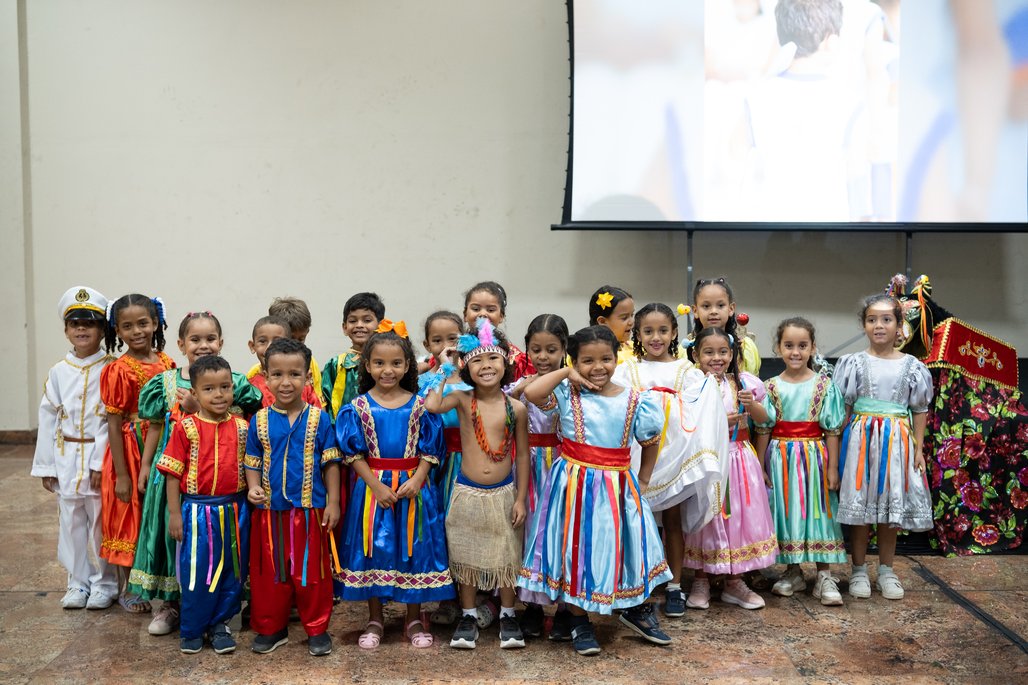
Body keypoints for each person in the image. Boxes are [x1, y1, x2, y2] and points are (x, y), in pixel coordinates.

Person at [518, 325, 673, 657]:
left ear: (617, 359)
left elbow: (650, 440)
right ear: (575, 361)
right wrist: (565, 371)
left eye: (606, 359)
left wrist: (643, 479)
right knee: (578, 550)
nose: (597, 367)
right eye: (587, 360)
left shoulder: (634, 399)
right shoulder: (566, 391)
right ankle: (579, 620)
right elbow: (531, 394)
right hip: (573, 485)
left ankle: (636, 608)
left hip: (618, 484)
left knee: (629, 547)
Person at [129, 311, 262, 636]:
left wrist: (196, 409)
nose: (203, 345)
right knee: (173, 539)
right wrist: (146, 465)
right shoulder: (165, 381)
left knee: (216, 546)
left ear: (221, 342)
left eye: (210, 339)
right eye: (195, 339)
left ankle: (218, 608)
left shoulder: (236, 382)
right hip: (174, 475)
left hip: (220, 478)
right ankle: (170, 605)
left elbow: (246, 418)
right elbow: (157, 426)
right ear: (181, 344)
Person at [335, 330, 454, 649]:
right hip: (372, 491)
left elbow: (431, 447)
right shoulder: (356, 407)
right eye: (379, 363)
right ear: (368, 367)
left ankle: (414, 618)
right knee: (373, 548)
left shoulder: (420, 406)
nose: (387, 370)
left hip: (413, 490)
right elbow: (353, 453)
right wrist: (374, 485)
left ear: (407, 367)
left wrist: (417, 479)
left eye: (396, 363)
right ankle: (375, 619)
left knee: (412, 549)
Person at [611, 303, 729, 618]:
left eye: (663, 330)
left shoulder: (685, 371)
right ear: (637, 334)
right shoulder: (628, 370)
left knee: (673, 521)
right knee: (638, 521)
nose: (656, 337)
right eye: (648, 331)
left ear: (674, 332)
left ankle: (675, 585)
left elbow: (700, 407)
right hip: (638, 453)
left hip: (673, 452)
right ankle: (639, 583)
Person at [424, 318, 530, 650]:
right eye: (477, 361)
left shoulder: (516, 407)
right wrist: (445, 368)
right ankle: (468, 614)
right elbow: (430, 405)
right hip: (467, 492)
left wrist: (521, 499)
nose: (485, 366)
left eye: (493, 359)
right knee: (466, 556)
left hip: (503, 494)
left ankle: (508, 615)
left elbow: (523, 456)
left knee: (507, 555)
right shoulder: (461, 399)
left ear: (505, 362)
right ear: (466, 367)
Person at [245, 338, 342, 656]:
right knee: (269, 573)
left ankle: (317, 628)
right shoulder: (258, 420)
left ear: (307, 377)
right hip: (269, 512)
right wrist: (252, 487)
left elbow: (330, 462)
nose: (285, 382)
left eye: (294, 374)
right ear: (265, 376)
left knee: (312, 572)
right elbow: (252, 461)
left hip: (309, 511)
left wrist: (333, 501)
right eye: (277, 374)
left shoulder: (320, 419)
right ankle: (272, 628)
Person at [833, 294, 934, 600]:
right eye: (872, 319)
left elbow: (919, 408)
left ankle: (887, 570)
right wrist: (838, 451)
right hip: (861, 442)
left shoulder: (912, 366)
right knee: (862, 509)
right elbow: (844, 409)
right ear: (864, 325)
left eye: (887, 319)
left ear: (899, 326)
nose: (879, 325)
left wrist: (917, 449)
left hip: (896, 442)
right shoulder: (853, 363)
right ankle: (859, 570)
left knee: (890, 508)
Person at [32, 286, 119, 610]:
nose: (82, 329)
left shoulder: (111, 368)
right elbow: (48, 417)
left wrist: (99, 463)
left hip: (98, 459)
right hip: (67, 457)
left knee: (100, 522)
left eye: (91, 323)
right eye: (75, 323)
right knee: (70, 522)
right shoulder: (58, 372)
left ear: (102, 329)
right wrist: (46, 466)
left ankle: (105, 583)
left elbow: (109, 422)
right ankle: (77, 582)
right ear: (66, 329)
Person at [157, 355, 250, 654]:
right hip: (197, 512)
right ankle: (192, 629)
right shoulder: (185, 428)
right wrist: (174, 513)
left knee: (233, 572)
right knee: (198, 573)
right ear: (194, 394)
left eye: (225, 387)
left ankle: (220, 624)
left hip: (235, 511)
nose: (219, 394)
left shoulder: (242, 427)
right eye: (209, 389)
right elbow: (172, 474)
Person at [753, 317, 848, 606]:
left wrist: (831, 469)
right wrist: (761, 467)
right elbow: (763, 429)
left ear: (813, 348)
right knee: (786, 512)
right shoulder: (769, 387)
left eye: (802, 346)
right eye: (789, 345)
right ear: (778, 348)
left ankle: (824, 575)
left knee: (819, 511)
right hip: (781, 459)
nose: (796, 352)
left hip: (814, 459)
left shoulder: (824, 385)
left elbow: (832, 430)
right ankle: (793, 571)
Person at [682, 327, 778, 611]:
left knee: (739, 519)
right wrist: (720, 423)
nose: (717, 357)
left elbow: (765, 419)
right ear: (696, 355)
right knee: (707, 518)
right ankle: (701, 578)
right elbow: (686, 425)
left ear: (733, 353)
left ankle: (735, 582)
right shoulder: (693, 386)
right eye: (708, 352)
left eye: (723, 351)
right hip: (710, 460)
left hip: (739, 459)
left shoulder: (744, 383)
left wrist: (753, 406)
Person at [98, 293, 174, 613]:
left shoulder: (168, 362)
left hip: (163, 445)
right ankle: (128, 585)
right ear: (117, 330)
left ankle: (156, 580)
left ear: (155, 323)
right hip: (129, 450)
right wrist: (123, 474)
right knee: (128, 515)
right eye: (127, 326)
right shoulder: (119, 369)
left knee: (154, 516)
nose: (137, 331)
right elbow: (114, 425)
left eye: (143, 323)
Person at [506, 314, 570, 639]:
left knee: (558, 536)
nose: (543, 357)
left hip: (560, 467)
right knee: (530, 533)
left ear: (564, 349)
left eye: (551, 349)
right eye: (536, 349)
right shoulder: (518, 386)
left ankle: (562, 609)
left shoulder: (573, 387)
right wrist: (516, 391)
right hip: (527, 466)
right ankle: (530, 607)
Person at [322, 292, 385, 421]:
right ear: (345, 327)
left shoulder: (386, 362)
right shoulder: (336, 364)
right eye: (352, 321)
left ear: (381, 325)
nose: (359, 325)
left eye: (367, 320)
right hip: (344, 432)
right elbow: (326, 403)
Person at [245, 297, 323, 392]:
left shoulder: (310, 364)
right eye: (291, 339)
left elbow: (318, 401)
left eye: (301, 339)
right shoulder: (254, 374)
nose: (296, 345)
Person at [461, 281, 535, 380]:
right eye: (476, 309)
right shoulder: (451, 354)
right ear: (465, 314)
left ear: (501, 316)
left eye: (491, 310)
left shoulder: (516, 360)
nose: (483, 314)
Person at [247, 315, 322, 408]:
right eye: (263, 341)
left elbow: (319, 414)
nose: (269, 347)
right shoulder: (250, 387)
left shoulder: (303, 384)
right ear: (252, 346)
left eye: (277, 341)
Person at [691, 277, 761, 375]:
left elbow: (754, 385)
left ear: (731, 308)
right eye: (706, 306)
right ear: (695, 310)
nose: (713, 311)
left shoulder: (745, 347)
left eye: (720, 305)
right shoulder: (687, 347)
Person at [587, 285, 636, 364]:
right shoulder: (584, 354)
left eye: (632, 315)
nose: (631, 322)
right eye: (624, 318)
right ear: (602, 321)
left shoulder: (638, 348)